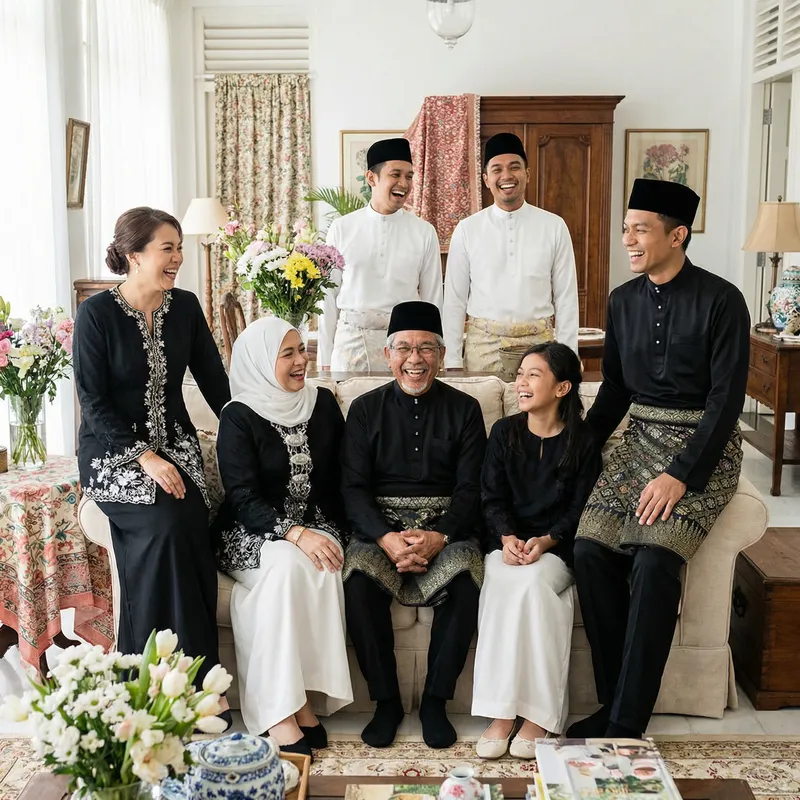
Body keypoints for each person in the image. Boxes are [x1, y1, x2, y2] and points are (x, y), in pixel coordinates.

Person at [567, 178, 751, 739]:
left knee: (652, 561)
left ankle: (627, 722)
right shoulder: (623, 300)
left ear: (678, 234)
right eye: (626, 229)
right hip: (639, 439)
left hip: (704, 450)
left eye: (640, 229)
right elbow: (616, 391)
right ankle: (611, 699)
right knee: (589, 550)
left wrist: (680, 476)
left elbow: (726, 402)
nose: (628, 239)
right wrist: (577, 447)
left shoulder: (723, 300)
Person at [73, 207, 232, 727]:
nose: (178, 258)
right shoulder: (96, 315)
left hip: (177, 446)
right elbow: (92, 401)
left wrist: (245, 426)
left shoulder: (185, 307)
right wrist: (143, 456)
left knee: (190, 523)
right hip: (113, 453)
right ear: (134, 254)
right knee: (163, 525)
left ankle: (200, 687)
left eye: (179, 247)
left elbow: (215, 379)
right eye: (168, 248)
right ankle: (147, 683)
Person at [341, 301, 486, 749]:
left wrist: (441, 535)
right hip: (379, 528)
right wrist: (384, 537)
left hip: (446, 527)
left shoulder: (466, 409)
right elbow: (352, 488)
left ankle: (434, 703)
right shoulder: (364, 410)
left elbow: (472, 487)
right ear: (388, 355)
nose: (415, 358)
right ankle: (386, 703)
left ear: (442, 355)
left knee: (465, 586)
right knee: (359, 587)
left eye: (426, 348)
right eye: (404, 348)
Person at [213, 317, 352, 759]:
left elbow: (341, 480)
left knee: (322, 562)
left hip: (316, 523)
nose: (300, 361)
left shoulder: (324, 404)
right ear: (258, 361)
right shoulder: (237, 416)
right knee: (289, 563)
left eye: (302, 349)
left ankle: (301, 700)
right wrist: (295, 534)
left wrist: (328, 533)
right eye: (287, 353)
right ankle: (279, 712)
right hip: (251, 530)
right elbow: (242, 496)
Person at [472, 343, 602, 759]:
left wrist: (547, 541)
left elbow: (582, 508)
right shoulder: (503, 433)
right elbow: (490, 498)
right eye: (520, 374)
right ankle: (501, 714)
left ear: (563, 387)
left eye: (533, 375)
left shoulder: (583, 441)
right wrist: (507, 537)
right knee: (504, 584)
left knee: (534, 588)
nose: (521, 383)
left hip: (557, 549)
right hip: (505, 545)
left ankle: (539, 717)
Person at [442, 132, 579, 371]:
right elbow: (454, 300)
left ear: (527, 174)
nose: (506, 176)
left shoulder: (553, 226)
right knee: (483, 409)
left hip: (539, 348)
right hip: (482, 347)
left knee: (536, 410)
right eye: (497, 169)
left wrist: (569, 357)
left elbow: (567, 299)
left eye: (514, 167)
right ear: (486, 179)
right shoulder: (467, 229)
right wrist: (452, 360)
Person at [319, 138, 443, 371]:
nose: (403, 183)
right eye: (395, 174)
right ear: (371, 178)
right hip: (351, 345)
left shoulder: (424, 231)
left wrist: (434, 357)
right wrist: (325, 360)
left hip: (404, 349)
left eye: (409, 176)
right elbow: (327, 297)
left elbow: (433, 300)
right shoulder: (342, 228)